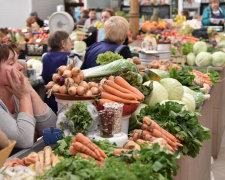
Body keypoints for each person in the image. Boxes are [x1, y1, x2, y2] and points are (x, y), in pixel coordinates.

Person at [0, 43, 57, 149]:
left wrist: (30, 90)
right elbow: (24, 141)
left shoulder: (16, 92)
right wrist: (24, 97)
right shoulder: (20, 95)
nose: (21, 67)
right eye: (12, 63)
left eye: (17, 61)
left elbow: (52, 129)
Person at [42, 30, 79, 113]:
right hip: (65, 102)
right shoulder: (72, 58)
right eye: (69, 41)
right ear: (63, 44)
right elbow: (78, 79)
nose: (71, 44)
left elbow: (44, 76)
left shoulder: (45, 57)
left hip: (49, 99)